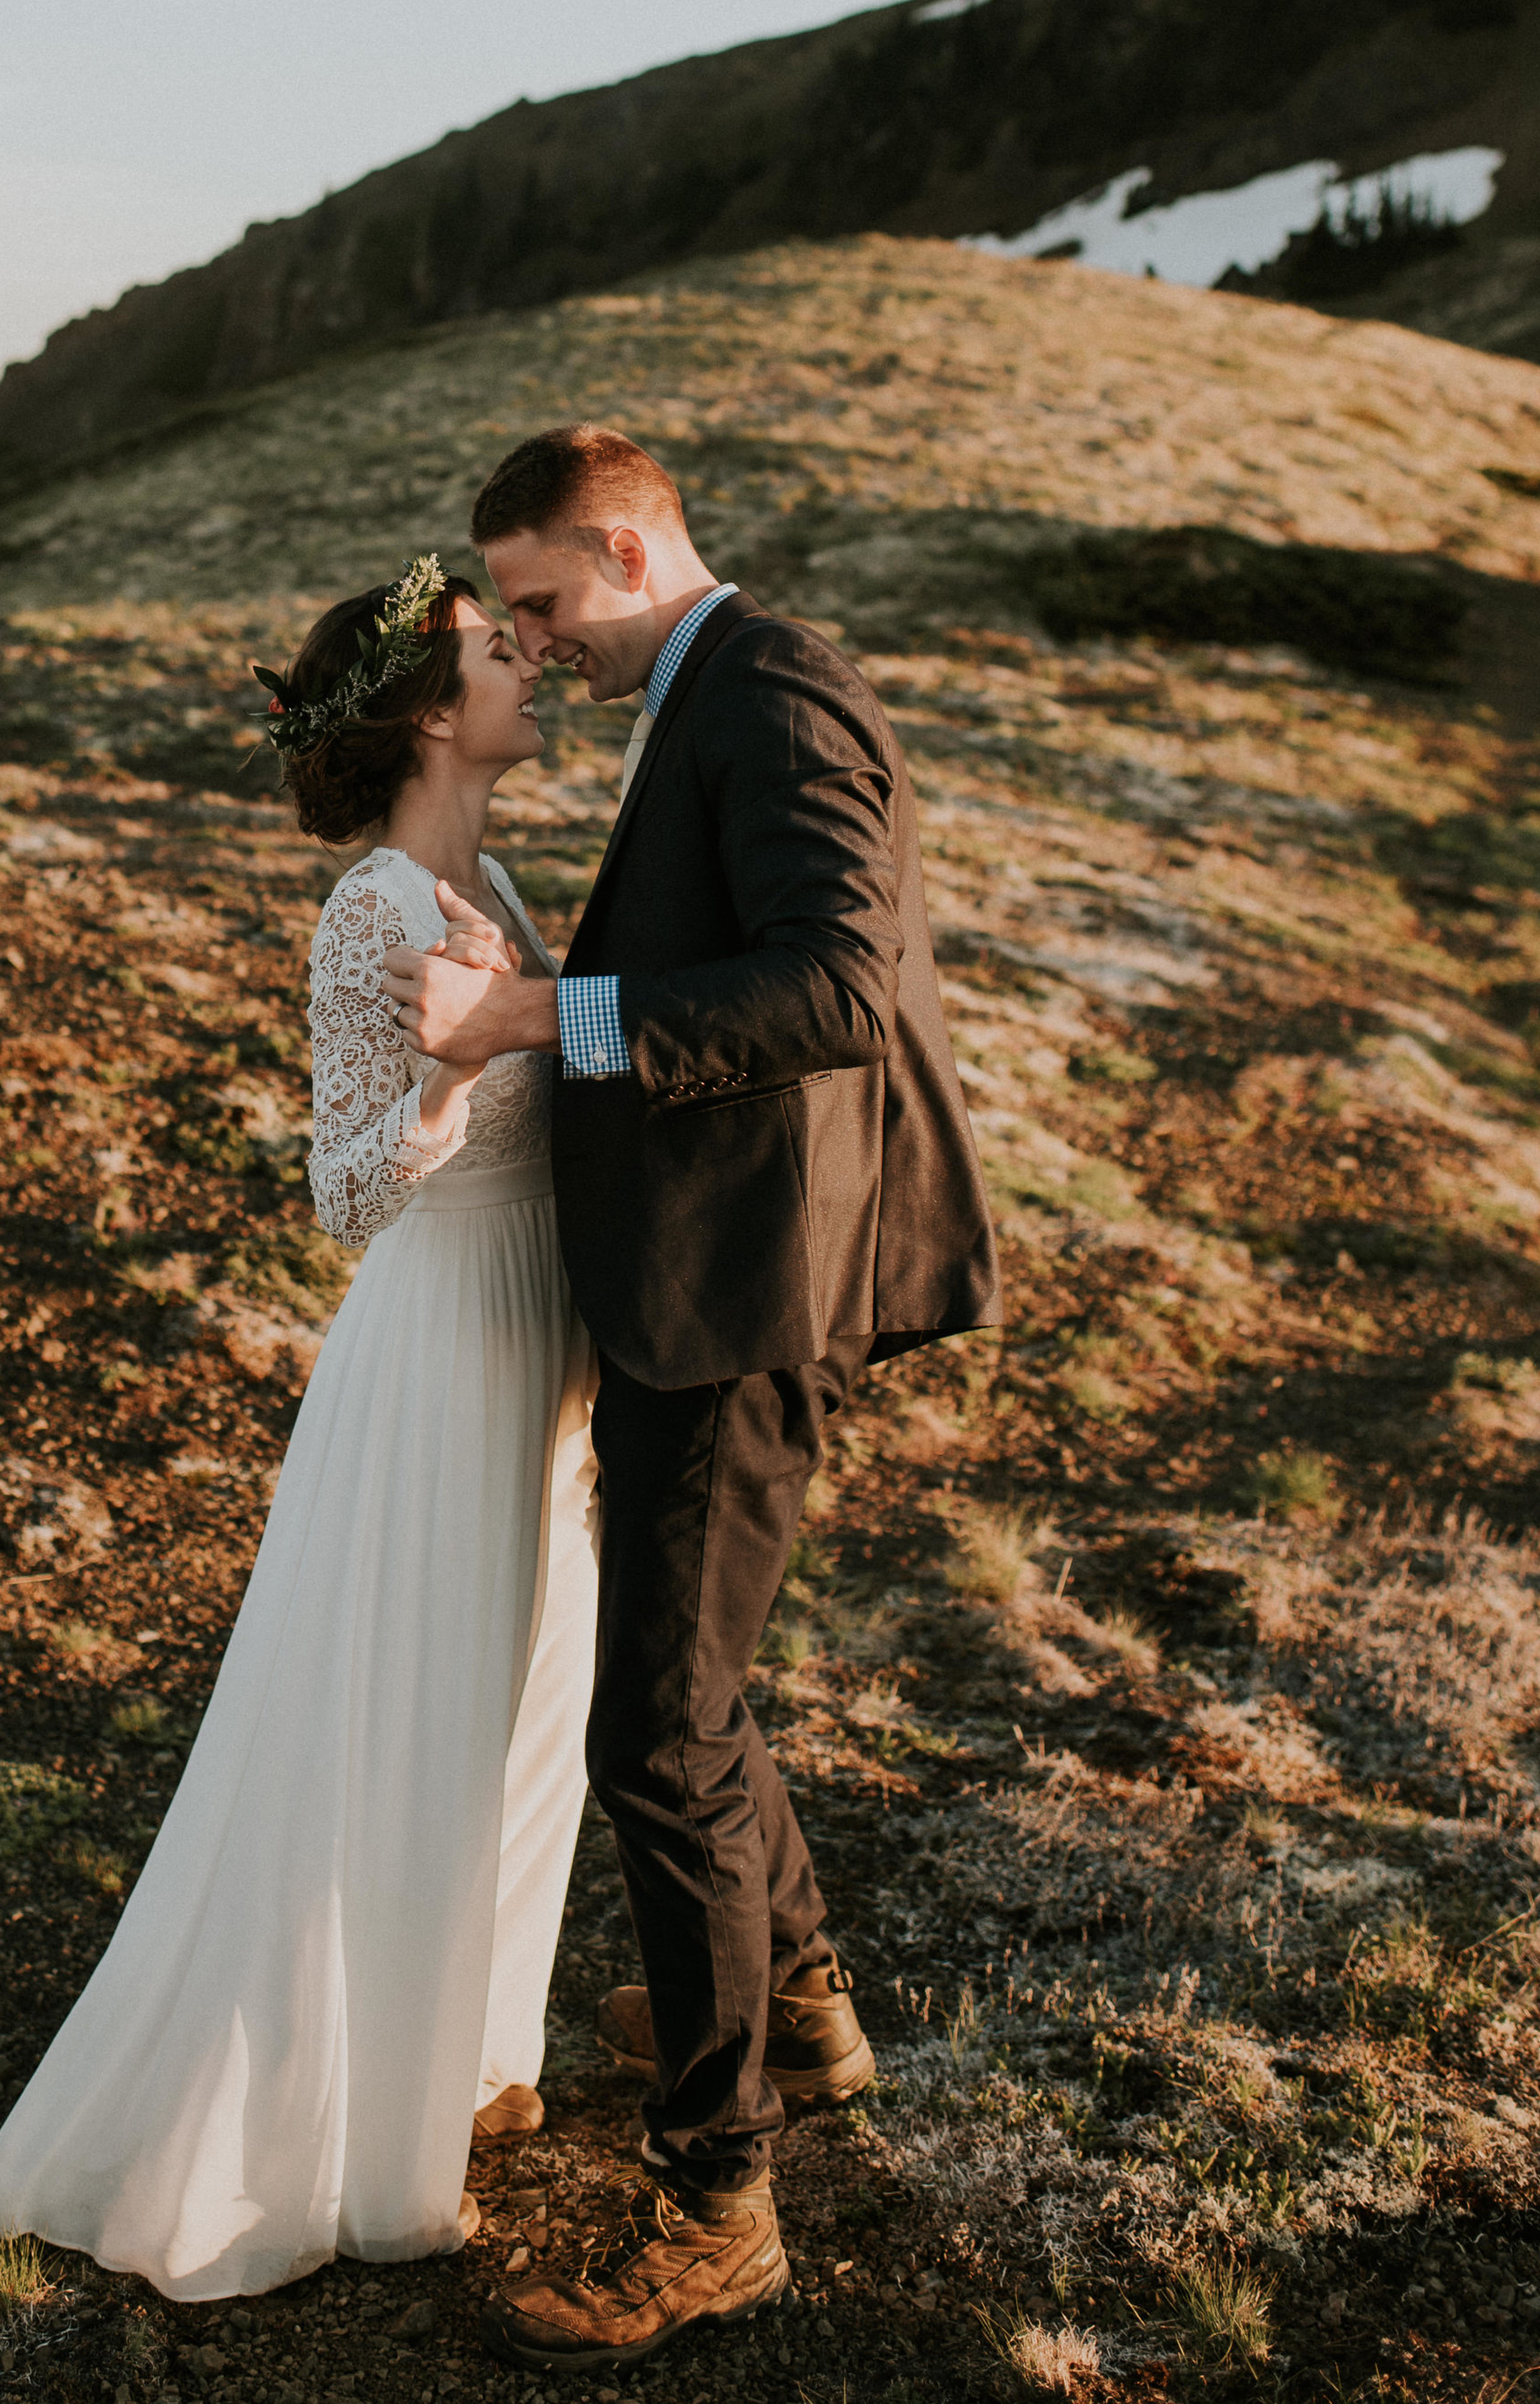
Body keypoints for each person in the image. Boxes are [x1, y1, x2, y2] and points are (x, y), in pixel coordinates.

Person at [386, 427, 997, 2374]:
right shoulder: (700, 682)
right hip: (701, 1278)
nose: (534, 642)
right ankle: (797, 2008)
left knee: (654, 1731)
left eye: (549, 603)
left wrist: (528, 1022)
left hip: (738, 1297)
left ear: (635, 547)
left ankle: (716, 2201)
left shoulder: (776, 684)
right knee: (691, 1693)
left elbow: (829, 983)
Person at [0, 559, 597, 2297]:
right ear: (422, 712)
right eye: (495, 650)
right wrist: (457, 1079)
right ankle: (334, 2115)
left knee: (534, 1698)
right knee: (413, 1708)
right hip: (441, 1331)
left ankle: (463, 2048)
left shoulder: (513, 883)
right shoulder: (370, 910)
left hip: (546, 1332)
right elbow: (336, 1195)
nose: (529, 663)